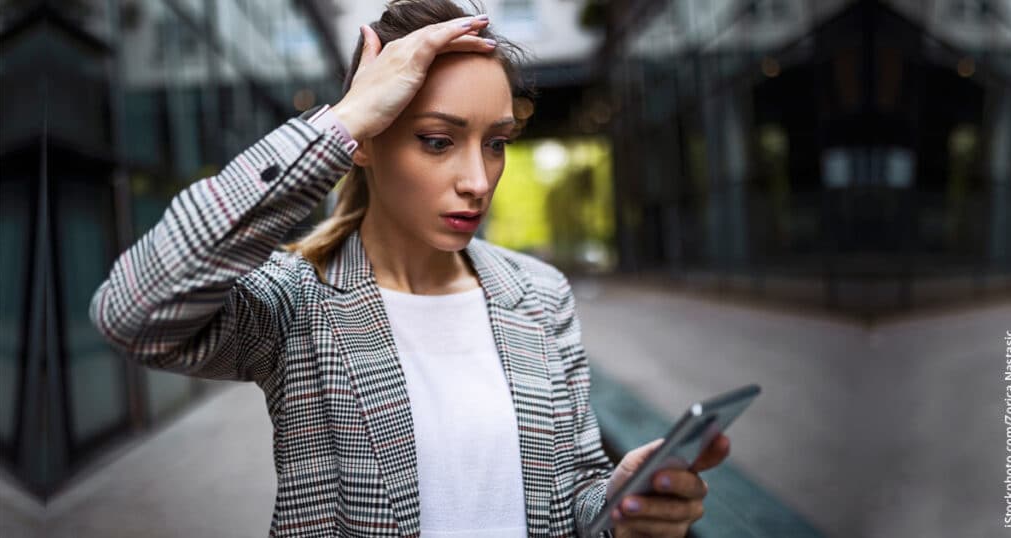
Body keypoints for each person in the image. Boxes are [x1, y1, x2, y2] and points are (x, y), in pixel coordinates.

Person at [88, 1, 729, 536]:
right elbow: (131, 312)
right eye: (437, 140)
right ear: (366, 141)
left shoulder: (539, 294)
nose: (478, 181)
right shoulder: (296, 302)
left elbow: (573, 495)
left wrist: (620, 508)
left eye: (497, 143)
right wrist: (335, 124)